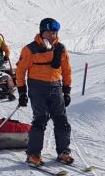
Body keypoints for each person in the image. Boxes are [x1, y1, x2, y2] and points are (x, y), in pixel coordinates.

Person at [15, 17, 73, 166]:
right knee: (41, 119)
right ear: (42, 32)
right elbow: (20, 71)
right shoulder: (30, 49)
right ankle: (33, 155)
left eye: (55, 32)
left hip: (56, 87)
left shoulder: (60, 48)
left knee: (62, 121)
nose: (53, 35)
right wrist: (22, 91)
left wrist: (66, 90)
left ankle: (63, 152)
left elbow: (66, 70)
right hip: (37, 87)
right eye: (49, 32)